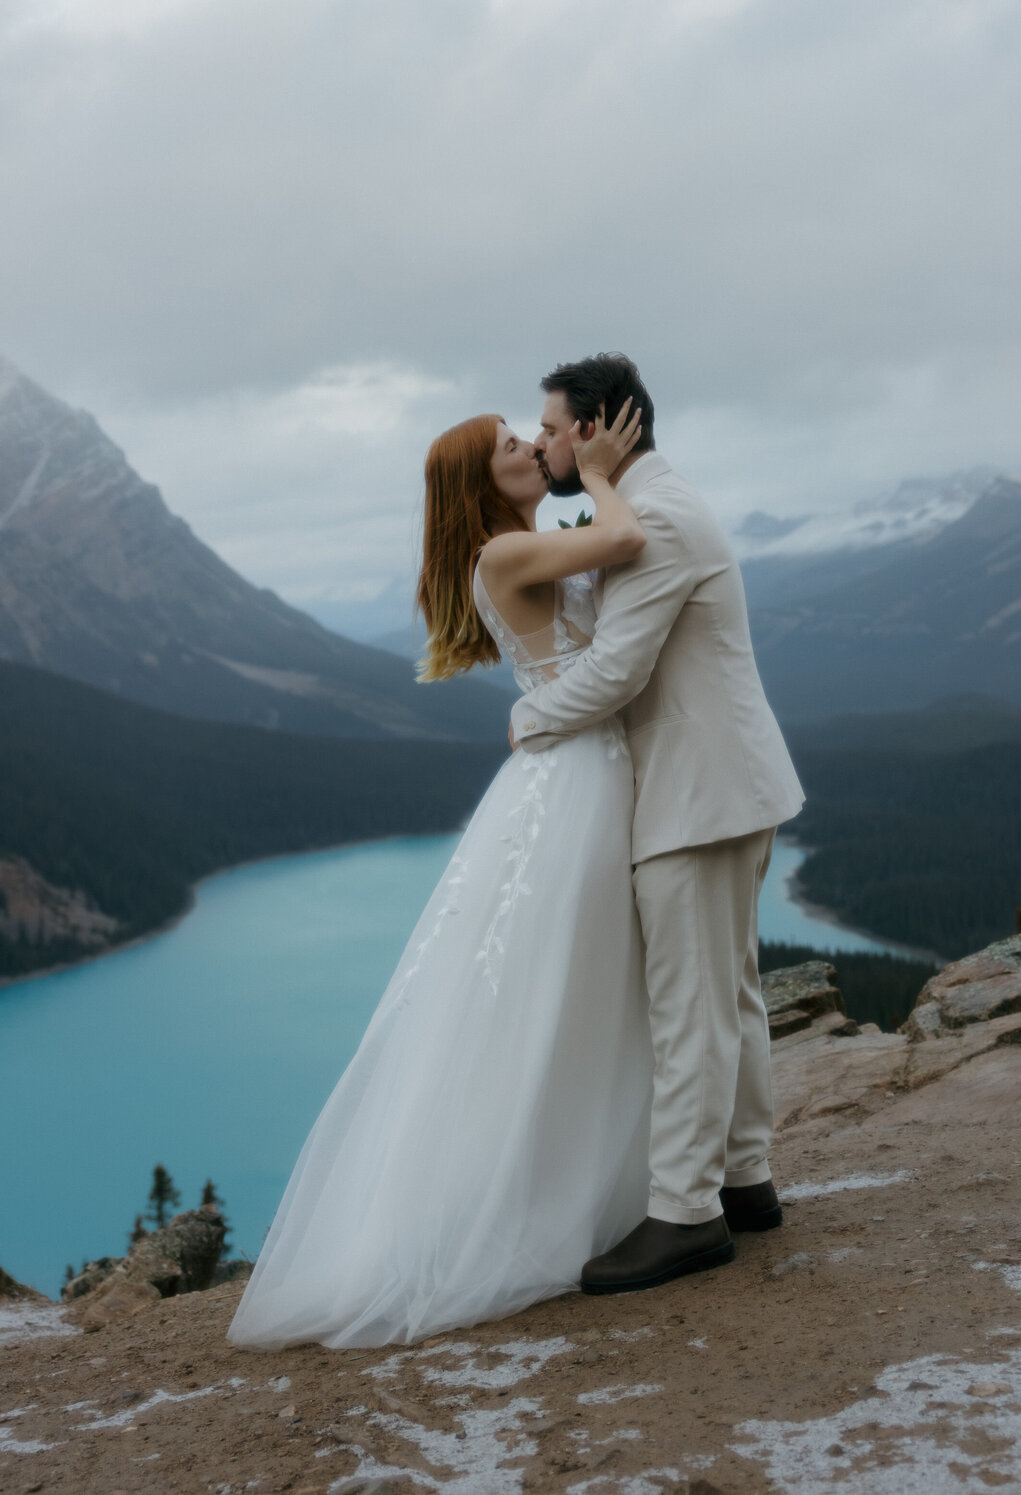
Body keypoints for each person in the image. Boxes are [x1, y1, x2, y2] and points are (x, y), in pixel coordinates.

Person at [227, 399, 654, 1348]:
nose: (529, 447)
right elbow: (622, 539)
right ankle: (550, 1205)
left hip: (573, 769)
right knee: (566, 987)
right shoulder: (503, 556)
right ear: (479, 479)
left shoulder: (518, 544)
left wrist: (579, 489)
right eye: (512, 445)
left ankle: (592, 1190)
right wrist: (604, 473)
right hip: (575, 780)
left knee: (570, 986)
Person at [512, 353, 804, 1295]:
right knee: (732, 994)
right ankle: (746, 1179)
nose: (544, 440)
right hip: (721, 786)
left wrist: (524, 720)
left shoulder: (662, 517)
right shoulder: (646, 501)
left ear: (595, 428)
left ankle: (685, 1215)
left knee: (691, 1008)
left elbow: (618, 670)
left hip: (696, 794)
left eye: (552, 426)